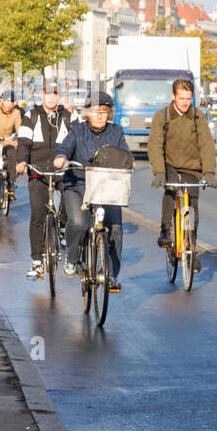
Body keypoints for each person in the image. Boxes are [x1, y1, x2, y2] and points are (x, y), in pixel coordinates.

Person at [54, 93, 129, 292]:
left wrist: (130, 161)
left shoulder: (117, 132)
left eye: (104, 112)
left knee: (115, 228)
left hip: (107, 188)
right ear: (88, 113)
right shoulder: (77, 130)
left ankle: (112, 274)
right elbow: (64, 147)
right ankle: (71, 259)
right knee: (79, 223)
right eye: (96, 112)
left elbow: (125, 153)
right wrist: (61, 157)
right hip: (78, 184)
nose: (100, 116)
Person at [147, 78, 217, 273]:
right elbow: (154, 144)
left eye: (188, 98)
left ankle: (191, 251)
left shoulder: (198, 117)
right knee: (171, 190)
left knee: (191, 208)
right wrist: (159, 171)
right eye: (181, 98)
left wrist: (209, 171)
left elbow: (206, 144)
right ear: (173, 97)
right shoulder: (163, 116)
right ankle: (164, 229)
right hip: (168, 164)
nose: (185, 102)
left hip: (190, 167)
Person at [15, 89, 74, 278]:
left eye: (55, 94)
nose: (51, 97)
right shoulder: (31, 116)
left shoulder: (69, 117)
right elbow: (23, 142)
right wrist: (21, 161)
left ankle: (64, 226)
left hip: (62, 170)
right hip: (38, 172)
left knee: (71, 202)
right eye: (48, 93)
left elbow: (78, 141)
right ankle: (37, 261)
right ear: (42, 95)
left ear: (59, 97)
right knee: (37, 215)